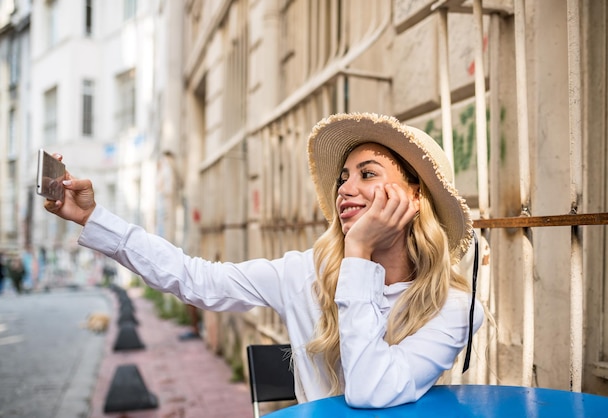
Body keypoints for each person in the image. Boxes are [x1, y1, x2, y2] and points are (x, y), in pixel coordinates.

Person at [44, 112, 484, 408]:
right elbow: (194, 279)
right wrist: (94, 218)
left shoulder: (454, 307)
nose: (346, 189)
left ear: (414, 196)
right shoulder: (304, 274)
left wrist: (358, 255)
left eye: (368, 174)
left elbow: (371, 390)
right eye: (343, 177)